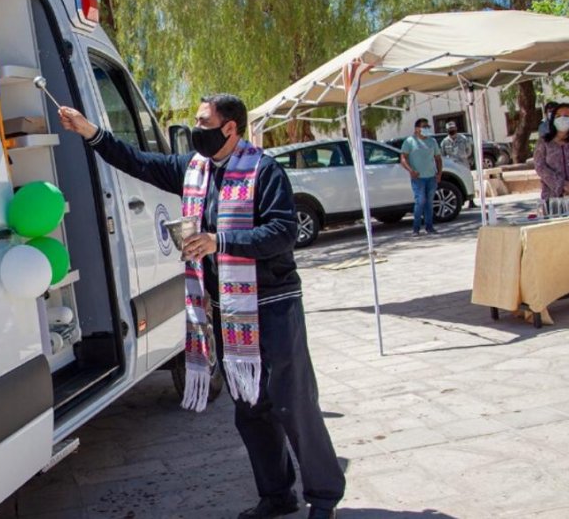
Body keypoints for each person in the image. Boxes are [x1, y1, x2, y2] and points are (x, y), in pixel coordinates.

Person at [58, 94, 344, 519]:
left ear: (230, 127)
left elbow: (284, 232)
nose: (195, 128)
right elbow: (138, 162)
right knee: (249, 407)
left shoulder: (264, 170)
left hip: (273, 303)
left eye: (203, 121)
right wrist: (91, 133)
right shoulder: (193, 169)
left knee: (292, 402)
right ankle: (277, 494)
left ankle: (322, 496)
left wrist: (219, 241)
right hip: (228, 308)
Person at [399, 118, 443, 236]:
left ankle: (429, 227)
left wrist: (439, 173)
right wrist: (411, 171)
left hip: (431, 176)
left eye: (427, 126)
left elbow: (438, 158)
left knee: (429, 202)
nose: (426, 128)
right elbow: (403, 158)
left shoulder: (432, 141)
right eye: (424, 126)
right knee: (420, 201)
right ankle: (416, 228)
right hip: (418, 178)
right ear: (417, 129)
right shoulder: (409, 142)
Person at [533, 102, 569, 204]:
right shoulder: (544, 142)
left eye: (567, 116)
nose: (562, 118)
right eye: (558, 116)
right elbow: (539, 166)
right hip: (553, 200)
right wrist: (562, 185)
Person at [440, 122, 476, 208]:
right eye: (450, 130)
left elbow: (469, 150)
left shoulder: (463, 139)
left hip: (463, 164)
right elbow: (442, 154)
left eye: (453, 129)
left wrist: (464, 157)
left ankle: (471, 201)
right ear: (447, 130)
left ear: (456, 129)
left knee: (468, 181)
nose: (452, 131)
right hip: (452, 166)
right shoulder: (445, 142)